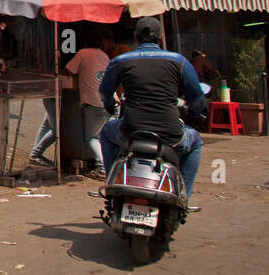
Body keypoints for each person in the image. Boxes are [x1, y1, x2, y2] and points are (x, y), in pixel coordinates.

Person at [98, 17, 205, 199]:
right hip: (171, 135)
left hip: (130, 132)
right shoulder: (178, 61)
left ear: (135, 36)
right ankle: (183, 197)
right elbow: (197, 97)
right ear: (161, 37)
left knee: (106, 131)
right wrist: (197, 113)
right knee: (195, 142)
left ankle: (112, 183)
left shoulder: (120, 61)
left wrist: (110, 107)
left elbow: (104, 94)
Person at [28, 31, 116, 177]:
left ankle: (103, 168)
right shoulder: (104, 56)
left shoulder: (83, 53)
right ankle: (35, 154)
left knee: (92, 137)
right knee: (48, 122)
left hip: (94, 102)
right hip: (108, 101)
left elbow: (68, 71)